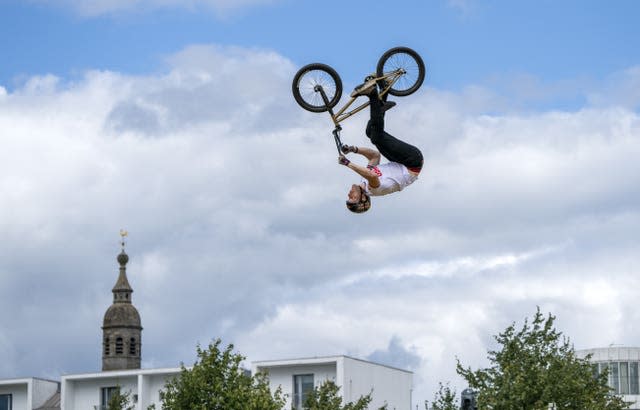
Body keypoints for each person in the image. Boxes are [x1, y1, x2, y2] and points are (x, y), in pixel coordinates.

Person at [338, 78, 424, 213]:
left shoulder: (364, 182)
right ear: (363, 199)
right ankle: (372, 92)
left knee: (370, 133)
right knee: (377, 137)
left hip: (400, 161)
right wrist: (347, 163)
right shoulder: (374, 189)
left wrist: (353, 149)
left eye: (348, 197)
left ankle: (383, 92)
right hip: (412, 162)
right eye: (352, 198)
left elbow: (374, 156)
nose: (349, 195)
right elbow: (372, 176)